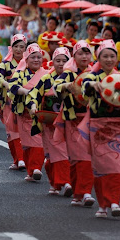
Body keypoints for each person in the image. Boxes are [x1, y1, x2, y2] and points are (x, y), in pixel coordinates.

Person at [82, 40, 120, 217]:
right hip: (97, 126)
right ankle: (103, 204)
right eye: (105, 56)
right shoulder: (91, 76)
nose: (109, 59)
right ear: (98, 58)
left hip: (118, 126)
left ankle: (115, 201)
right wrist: (92, 85)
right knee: (100, 165)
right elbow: (85, 87)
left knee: (117, 163)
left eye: (112, 56)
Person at [53, 41, 96, 206]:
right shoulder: (68, 73)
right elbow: (56, 87)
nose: (84, 56)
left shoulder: (95, 73)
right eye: (80, 53)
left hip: (91, 119)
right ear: (74, 56)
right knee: (75, 157)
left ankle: (85, 192)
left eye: (87, 53)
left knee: (86, 156)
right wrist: (67, 86)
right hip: (72, 118)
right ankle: (78, 193)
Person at [28, 46, 72, 196]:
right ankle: (56, 183)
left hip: (68, 121)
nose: (60, 64)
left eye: (64, 61)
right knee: (52, 154)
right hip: (49, 122)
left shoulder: (73, 77)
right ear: (52, 62)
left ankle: (65, 182)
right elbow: (34, 94)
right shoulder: (46, 79)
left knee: (63, 152)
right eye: (57, 61)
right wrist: (33, 106)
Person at [5, 43, 47, 181]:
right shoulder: (20, 73)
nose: (36, 60)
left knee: (38, 141)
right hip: (24, 114)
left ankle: (36, 168)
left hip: (40, 113)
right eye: (33, 57)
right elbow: (13, 87)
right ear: (26, 60)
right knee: (27, 143)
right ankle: (31, 171)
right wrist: (28, 92)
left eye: (39, 57)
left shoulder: (46, 74)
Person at [0, 35, 27, 170]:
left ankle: (22, 159)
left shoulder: (29, 62)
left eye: (22, 47)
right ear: (11, 47)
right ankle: (18, 159)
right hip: (9, 100)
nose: (19, 49)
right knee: (11, 130)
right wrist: (5, 83)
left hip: (25, 100)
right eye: (16, 46)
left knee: (23, 130)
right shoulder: (6, 63)